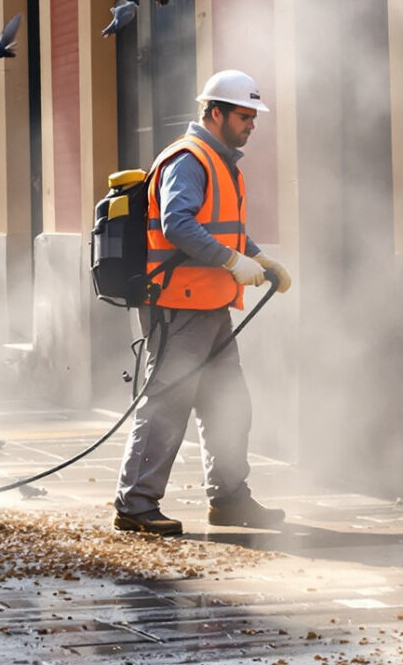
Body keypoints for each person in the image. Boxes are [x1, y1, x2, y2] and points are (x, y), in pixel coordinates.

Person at [111, 70, 293, 537]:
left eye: (253, 116)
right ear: (215, 113)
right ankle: (135, 505)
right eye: (243, 116)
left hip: (211, 306)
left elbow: (222, 228)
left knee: (230, 404)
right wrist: (232, 261)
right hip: (178, 307)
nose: (251, 124)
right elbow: (178, 225)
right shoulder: (189, 159)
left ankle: (229, 499)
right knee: (167, 406)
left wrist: (257, 258)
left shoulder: (220, 161)